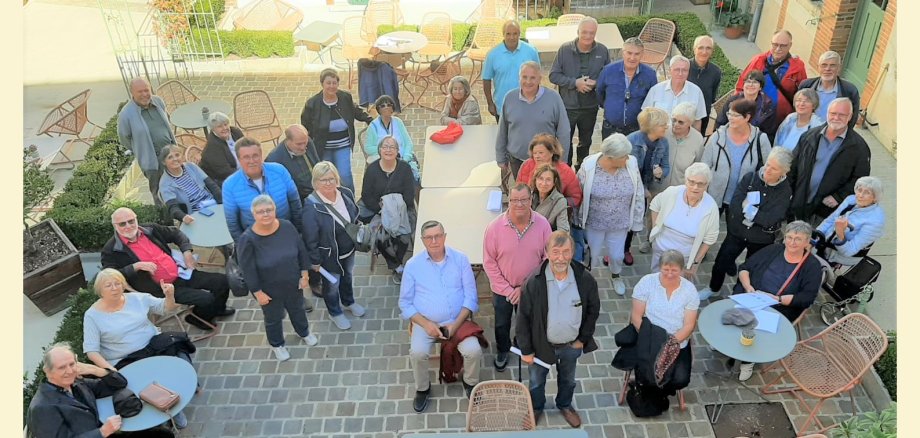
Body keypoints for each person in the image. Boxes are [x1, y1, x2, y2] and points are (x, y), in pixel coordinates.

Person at [82, 269, 190, 428]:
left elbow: (165, 308)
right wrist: (110, 370)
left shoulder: (137, 299)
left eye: (117, 283)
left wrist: (169, 295)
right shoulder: (92, 316)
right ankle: (167, 411)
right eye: (108, 285)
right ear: (100, 291)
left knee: (178, 346)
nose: (114, 288)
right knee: (146, 381)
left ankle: (177, 398)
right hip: (124, 359)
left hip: (151, 346)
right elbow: (91, 351)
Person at [101, 207, 233, 332]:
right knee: (207, 299)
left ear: (136, 219)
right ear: (115, 226)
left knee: (223, 281)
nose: (128, 226)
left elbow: (176, 234)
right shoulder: (111, 249)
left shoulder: (150, 229)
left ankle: (217, 309)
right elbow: (109, 276)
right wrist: (135, 267)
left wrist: (186, 252)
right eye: (122, 224)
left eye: (131, 221)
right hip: (161, 289)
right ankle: (197, 319)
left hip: (181, 273)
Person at [517, 231, 600, 428]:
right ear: (546, 252)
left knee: (569, 380)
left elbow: (593, 310)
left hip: (571, 345)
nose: (560, 258)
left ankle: (564, 404)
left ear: (573, 252)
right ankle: (536, 407)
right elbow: (522, 318)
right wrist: (526, 350)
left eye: (566, 252)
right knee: (536, 381)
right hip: (540, 346)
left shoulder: (585, 280)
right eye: (555, 252)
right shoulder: (534, 282)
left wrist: (582, 340)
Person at [400, 221, 482, 412]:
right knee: (418, 353)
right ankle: (422, 388)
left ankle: (470, 382)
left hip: (458, 320)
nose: (434, 241)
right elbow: (405, 303)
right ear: (422, 240)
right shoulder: (412, 265)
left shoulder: (460, 259)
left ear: (445, 236)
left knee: (474, 351)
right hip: (424, 322)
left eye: (438, 236)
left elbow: (471, 297)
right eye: (429, 237)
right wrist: (426, 324)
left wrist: (455, 325)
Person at [699, 147, 794, 300]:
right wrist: (756, 215)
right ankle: (713, 288)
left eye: (774, 168)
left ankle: (739, 296)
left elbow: (771, 219)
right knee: (721, 262)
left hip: (760, 239)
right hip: (737, 232)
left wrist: (751, 211)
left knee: (751, 270)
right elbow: (735, 204)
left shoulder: (784, 191)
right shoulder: (751, 178)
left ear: (784, 172)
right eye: (768, 164)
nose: (768, 170)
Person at [733, 220, 823, 380]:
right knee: (735, 312)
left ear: (807, 242)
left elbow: (807, 298)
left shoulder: (812, 266)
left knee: (758, 325)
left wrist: (778, 299)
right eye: (789, 237)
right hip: (753, 296)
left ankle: (748, 360)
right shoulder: (773, 249)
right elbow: (745, 267)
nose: (792, 242)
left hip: (780, 306)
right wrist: (748, 288)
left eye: (798, 239)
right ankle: (729, 342)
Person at [237, 195, 319, 362]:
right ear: (253, 214)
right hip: (268, 289)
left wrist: (305, 274)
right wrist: (257, 292)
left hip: (292, 282)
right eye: (261, 212)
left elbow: (301, 250)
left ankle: (303, 332)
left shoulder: (287, 226)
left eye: (269, 210)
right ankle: (277, 344)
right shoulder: (248, 240)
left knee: (297, 310)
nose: (265, 214)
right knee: (273, 318)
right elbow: (247, 269)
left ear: (275, 210)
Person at [483, 183, 552, 372]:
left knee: (528, 320)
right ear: (509, 201)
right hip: (502, 291)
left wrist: (525, 288)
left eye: (524, 200)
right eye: (515, 200)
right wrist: (509, 290)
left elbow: (547, 259)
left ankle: (521, 344)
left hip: (531, 289)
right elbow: (489, 263)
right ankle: (503, 349)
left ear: (531, 200)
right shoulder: (494, 228)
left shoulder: (543, 225)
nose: (519, 204)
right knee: (501, 323)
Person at [576, 134, 644, 296]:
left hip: (620, 222)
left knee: (617, 254)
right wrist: (577, 221)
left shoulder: (631, 163)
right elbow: (578, 192)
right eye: (623, 156)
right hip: (595, 222)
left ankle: (616, 274)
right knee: (592, 255)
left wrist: (636, 221)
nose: (628, 158)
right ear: (611, 157)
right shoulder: (589, 166)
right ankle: (586, 281)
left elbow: (639, 193)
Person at [302, 161, 366, 331]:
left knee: (348, 277)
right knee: (331, 286)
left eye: (331, 178)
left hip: (348, 250)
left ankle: (348, 302)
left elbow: (354, 215)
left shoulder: (345, 193)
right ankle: (335, 312)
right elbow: (310, 238)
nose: (328, 183)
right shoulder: (311, 206)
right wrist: (315, 261)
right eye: (323, 180)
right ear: (316, 182)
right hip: (329, 257)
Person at [629, 250, 698, 402]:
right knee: (648, 374)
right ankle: (650, 393)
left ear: (681, 270)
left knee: (681, 380)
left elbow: (689, 325)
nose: (669, 274)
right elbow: (636, 316)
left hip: (677, 341)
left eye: (674, 270)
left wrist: (670, 343)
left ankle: (661, 394)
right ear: (659, 267)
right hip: (650, 338)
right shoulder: (647, 282)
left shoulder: (689, 291)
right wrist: (653, 340)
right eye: (666, 270)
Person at [788, 97, 870, 221]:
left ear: (850, 116)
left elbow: (861, 180)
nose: (836, 118)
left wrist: (839, 197)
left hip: (826, 212)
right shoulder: (809, 136)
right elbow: (792, 166)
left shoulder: (859, 147)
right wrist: (788, 192)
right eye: (833, 113)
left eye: (841, 115)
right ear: (827, 113)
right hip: (799, 203)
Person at [27, 343, 131, 438]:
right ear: (48, 371)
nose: (70, 371)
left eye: (72, 364)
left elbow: (120, 384)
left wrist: (95, 370)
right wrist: (102, 432)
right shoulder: (41, 408)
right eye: (62, 367)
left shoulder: (77, 383)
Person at [548, 16, 610, 166]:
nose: (588, 36)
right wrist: (575, 83)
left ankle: (582, 170)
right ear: (578, 32)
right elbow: (553, 75)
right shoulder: (564, 49)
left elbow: (609, 76)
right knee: (564, 142)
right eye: (584, 32)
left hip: (590, 106)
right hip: (568, 106)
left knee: (586, 142)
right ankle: (566, 170)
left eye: (591, 33)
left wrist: (596, 83)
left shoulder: (602, 50)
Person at [300, 68, 373, 192]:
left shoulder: (345, 97)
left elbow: (355, 111)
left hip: (343, 145)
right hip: (323, 148)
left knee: (345, 176)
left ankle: (350, 200)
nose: (332, 86)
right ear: (322, 84)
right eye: (328, 83)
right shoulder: (312, 104)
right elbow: (305, 125)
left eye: (334, 83)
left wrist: (370, 119)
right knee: (327, 177)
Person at [496, 62, 571, 177]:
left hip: (546, 163)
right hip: (517, 161)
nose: (528, 81)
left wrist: (561, 162)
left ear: (540, 79)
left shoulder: (553, 98)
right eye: (524, 77)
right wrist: (501, 158)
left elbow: (564, 131)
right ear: (519, 78)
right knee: (523, 194)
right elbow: (502, 130)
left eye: (533, 78)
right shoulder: (509, 98)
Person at [222, 136, 303, 242]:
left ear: (261, 155)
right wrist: (244, 246)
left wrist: (297, 232)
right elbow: (233, 223)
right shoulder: (230, 185)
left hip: (286, 234)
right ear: (239, 159)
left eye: (255, 155)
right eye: (246, 157)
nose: (252, 161)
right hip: (256, 242)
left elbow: (295, 203)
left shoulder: (280, 171)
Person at [359, 135, 417, 283]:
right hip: (379, 210)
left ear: (398, 151)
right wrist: (382, 210)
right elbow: (366, 195)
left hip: (402, 209)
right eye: (385, 146)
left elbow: (409, 194)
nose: (388, 150)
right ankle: (396, 266)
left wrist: (396, 210)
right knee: (379, 236)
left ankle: (398, 256)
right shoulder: (372, 170)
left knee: (403, 235)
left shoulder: (404, 168)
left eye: (392, 147)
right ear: (379, 150)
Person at [648, 163, 720, 276]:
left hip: (684, 258)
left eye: (700, 184)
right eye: (692, 182)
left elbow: (710, 239)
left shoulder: (711, 207)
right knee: (656, 279)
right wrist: (655, 228)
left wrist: (695, 263)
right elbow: (655, 205)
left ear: (707, 185)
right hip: (660, 249)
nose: (695, 187)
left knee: (676, 285)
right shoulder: (672, 192)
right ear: (686, 180)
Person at [703, 99, 773, 213]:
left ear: (747, 117)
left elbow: (768, 167)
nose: (730, 117)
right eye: (729, 114)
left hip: (743, 199)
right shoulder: (717, 136)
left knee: (735, 231)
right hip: (714, 196)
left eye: (735, 115)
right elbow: (704, 165)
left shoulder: (760, 139)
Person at [814, 176, 885, 284]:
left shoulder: (876, 221)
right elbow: (829, 220)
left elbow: (849, 251)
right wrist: (815, 237)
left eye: (867, 193)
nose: (860, 195)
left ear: (875, 198)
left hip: (840, 254)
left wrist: (840, 233)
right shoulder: (851, 199)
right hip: (825, 242)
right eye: (859, 190)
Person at [117, 77, 176, 205]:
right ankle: (166, 222)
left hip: (171, 155)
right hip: (152, 162)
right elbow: (124, 139)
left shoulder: (158, 101)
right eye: (140, 92)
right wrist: (141, 149)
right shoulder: (126, 114)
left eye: (146, 90)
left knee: (179, 186)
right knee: (159, 194)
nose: (144, 94)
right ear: (132, 93)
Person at [736, 30, 807, 132]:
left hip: (780, 120)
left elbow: (803, 94)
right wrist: (740, 109)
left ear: (790, 45)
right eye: (775, 44)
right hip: (753, 116)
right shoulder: (758, 60)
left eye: (783, 46)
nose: (778, 49)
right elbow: (740, 86)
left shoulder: (798, 66)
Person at [597, 37, 658, 138]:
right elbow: (599, 93)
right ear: (623, 52)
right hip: (610, 129)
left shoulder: (650, 75)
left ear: (642, 54)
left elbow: (652, 100)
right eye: (629, 53)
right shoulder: (608, 71)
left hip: (637, 130)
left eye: (637, 54)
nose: (632, 58)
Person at [482, 20, 540, 122]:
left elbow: (538, 76)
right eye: (508, 34)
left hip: (527, 104)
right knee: (504, 137)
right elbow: (486, 79)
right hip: (502, 106)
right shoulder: (492, 54)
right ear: (503, 34)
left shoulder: (531, 51)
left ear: (519, 34)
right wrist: (490, 103)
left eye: (515, 33)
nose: (512, 37)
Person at [157, 145, 222, 224]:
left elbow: (212, 185)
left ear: (182, 156)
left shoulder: (191, 166)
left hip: (212, 203)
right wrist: (183, 217)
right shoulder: (165, 183)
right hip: (195, 214)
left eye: (177, 155)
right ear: (164, 162)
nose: (175, 159)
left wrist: (223, 201)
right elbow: (172, 207)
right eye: (170, 157)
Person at [515, 133, 583, 208]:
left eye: (541, 153)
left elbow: (576, 198)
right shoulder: (527, 165)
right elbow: (518, 190)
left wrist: (558, 204)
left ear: (551, 153)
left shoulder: (566, 171)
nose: (537, 156)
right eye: (535, 153)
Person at [641, 55, 708, 131]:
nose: (680, 73)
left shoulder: (696, 92)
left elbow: (697, 121)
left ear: (688, 72)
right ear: (670, 70)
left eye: (684, 70)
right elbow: (645, 116)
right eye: (677, 69)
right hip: (658, 139)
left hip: (683, 140)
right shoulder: (656, 90)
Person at [364, 94, 420, 182]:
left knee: (412, 178)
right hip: (383, 161)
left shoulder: (398, 122)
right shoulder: (373, 126)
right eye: (382, 105)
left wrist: (405, 159)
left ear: (393, 108)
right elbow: (368, 148)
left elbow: (408, 142)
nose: (386, 107)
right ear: (378, 109)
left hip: (402, 158)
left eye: (389, 105)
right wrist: (386, 150)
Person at [798, 51, 860, 128]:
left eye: (832, 65)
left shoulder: (849, 91)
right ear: (818, 67)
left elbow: (852, 119)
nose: (827, 69)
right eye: (824, 65)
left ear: (839, 68)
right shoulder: (806, 85)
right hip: (807, 131)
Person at [658, 102, 705, 192]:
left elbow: (697, 165)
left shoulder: (697, 139)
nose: (675, 124)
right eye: (674, 120)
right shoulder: (663, 132)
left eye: (681, 122)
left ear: (690, 123)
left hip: (680, 191)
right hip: (656, 188)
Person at [265, 124, 321, 200]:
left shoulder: (308, 142)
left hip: (318, 189)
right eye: (299, 144)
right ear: (287, 140)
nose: (303, 147)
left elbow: (318, 165)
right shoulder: (274, 159)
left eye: (305, 142)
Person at [717, 71, 776, 137]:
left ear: (760, 87)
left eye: (755, 82)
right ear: (743, 85)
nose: (751, 85)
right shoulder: (733, 100)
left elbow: (769, 132)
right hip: (729, 137)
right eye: (748, 81)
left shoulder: (767, 106)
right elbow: (720, 122)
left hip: (753, 141)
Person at [199, 111, 244, 186]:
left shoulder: (235, 132)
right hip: (224, 179)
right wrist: (247, 173)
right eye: (220, 126)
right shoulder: (212, 148)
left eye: (226, 124)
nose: (225, 128)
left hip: (243, 170)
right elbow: (225, 172)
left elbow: (248, 147)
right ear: (213, 129)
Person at [688, 35, 722, 135]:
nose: (704, 52)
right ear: (694, 49)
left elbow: (712, 96)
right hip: (682, 114)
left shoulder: (716, 72)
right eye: (700, 47)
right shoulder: (684, 66)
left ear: (712, 51)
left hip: (702, 115)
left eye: (708, 48)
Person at [530, 164, 570, 232]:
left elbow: (563, 230)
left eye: (548, 179)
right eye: (540, 178)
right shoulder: (528, 195)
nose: (544, 183)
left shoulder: (560, 201)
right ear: (535, 179)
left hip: (547, 239)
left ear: (554, 182)